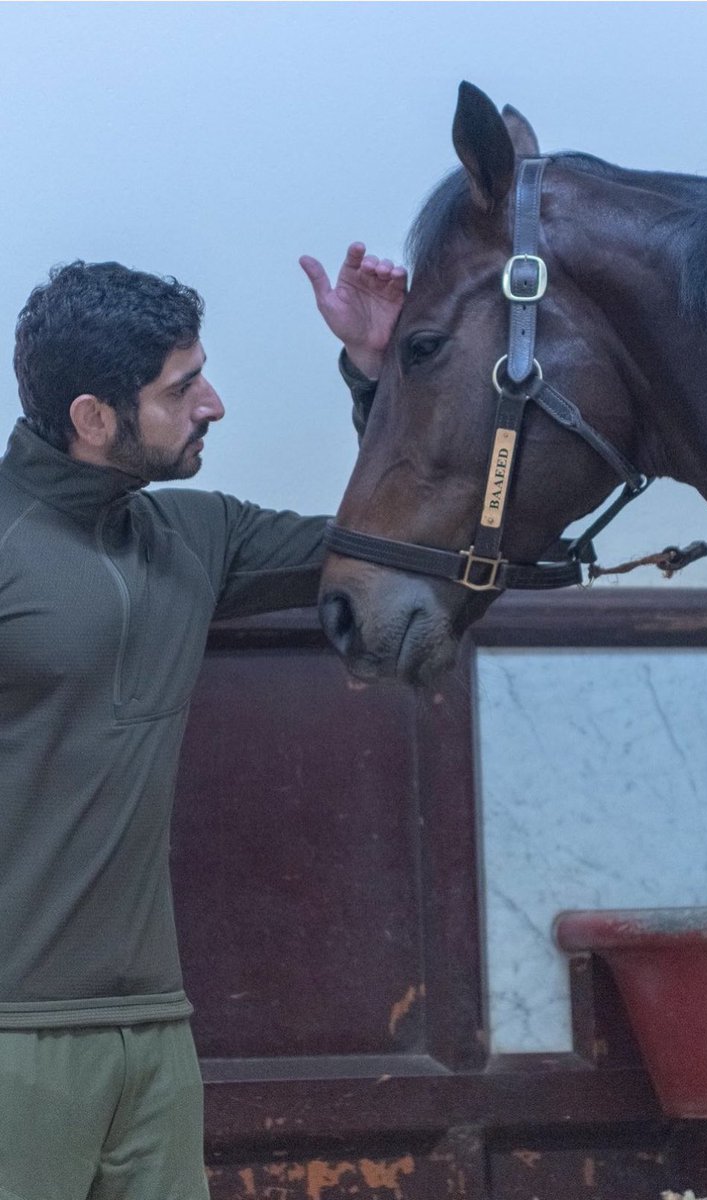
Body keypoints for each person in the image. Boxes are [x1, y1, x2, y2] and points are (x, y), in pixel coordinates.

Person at [0, 244, 406, 1200]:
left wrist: (378, 375)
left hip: (157, 1032)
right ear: (93, 418)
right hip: (13, 1036)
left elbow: (388, 543)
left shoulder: (198, 535)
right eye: (182, 389)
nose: (213, 403)